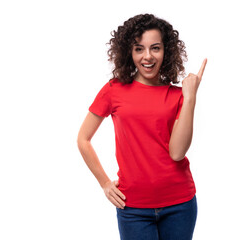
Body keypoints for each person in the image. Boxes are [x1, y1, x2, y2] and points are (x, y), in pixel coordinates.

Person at [77, 13, 207, 240]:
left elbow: (177, 153)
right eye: (139, 49)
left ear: (166, 51)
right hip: (133, 207)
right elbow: (83, 139)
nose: (147, 56)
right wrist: (105, 184)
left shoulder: (178, 96)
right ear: (129, 52)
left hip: (180, 204)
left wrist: (190, 98)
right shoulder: (113, 90)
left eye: (155, 48)